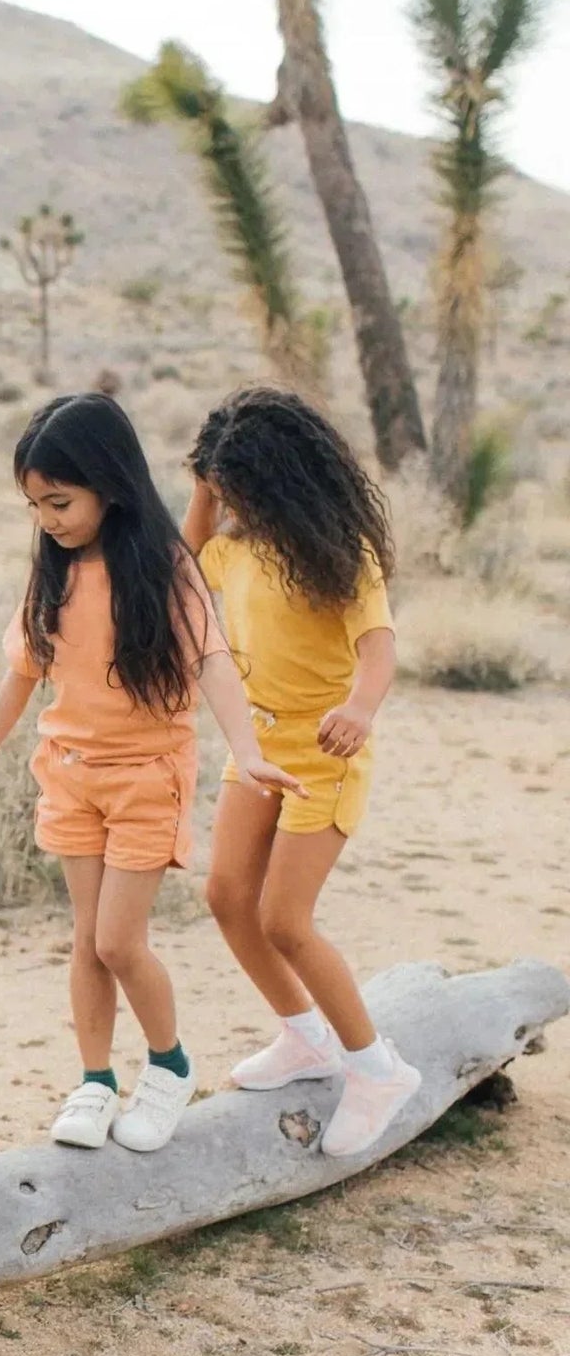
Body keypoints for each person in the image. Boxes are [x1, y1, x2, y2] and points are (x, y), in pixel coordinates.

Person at [0, 394, 301, 1152]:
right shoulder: (53, 575)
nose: (48, 518)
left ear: (110, 484)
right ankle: (95, 1080)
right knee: (85, 939)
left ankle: (170, 1066)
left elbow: (210, 662)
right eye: (35, 504)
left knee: (118, 941)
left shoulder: (165, 568)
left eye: (61, 501)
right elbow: (22, 672)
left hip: (147, 776)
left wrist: (248, 749)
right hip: (68, 774)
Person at [185, 385, 418, 1158]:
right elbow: (183, 563)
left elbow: (377, 648)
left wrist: (359, 708)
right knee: (226, 897)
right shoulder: (238, 545)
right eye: (225, 488)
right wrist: (199, 485)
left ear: (280, 478)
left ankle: (378, 1069)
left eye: (239, 485)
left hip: (328, 751)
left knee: (285, 919)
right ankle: (304, 1037)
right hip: (256, 745)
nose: (231, 500)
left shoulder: (339, 556)